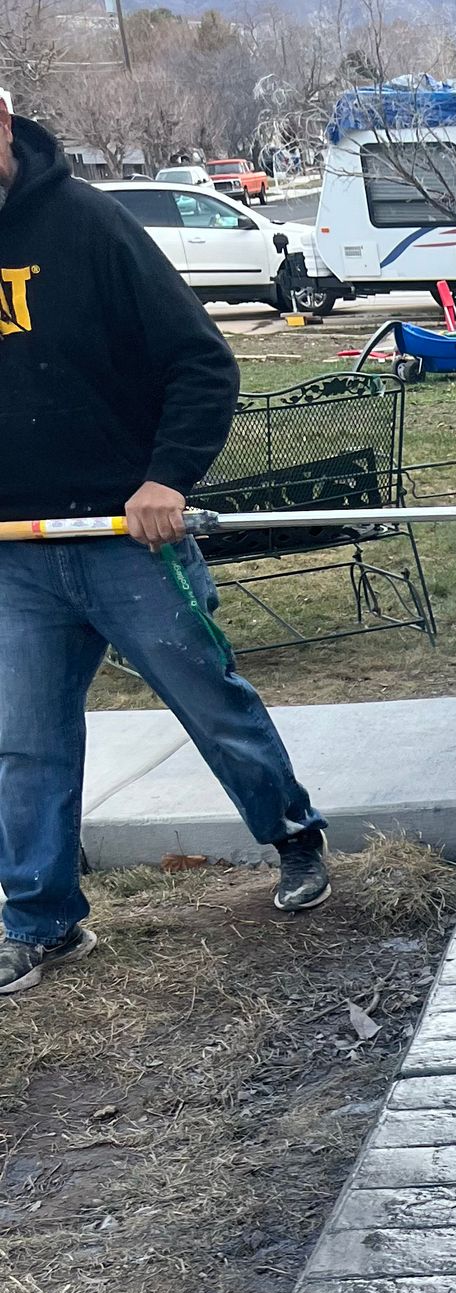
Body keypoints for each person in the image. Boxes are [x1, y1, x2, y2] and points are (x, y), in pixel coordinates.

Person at [0, 92, 331, 998]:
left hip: (124, 536)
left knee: (207, 698)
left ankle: (295, 839)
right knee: (23, 740)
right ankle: (41, 922)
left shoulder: (90, 226)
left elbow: (201, 363)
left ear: (1, 118)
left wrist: (167, 480)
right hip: (17, 554)